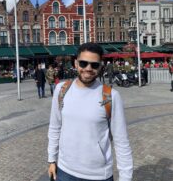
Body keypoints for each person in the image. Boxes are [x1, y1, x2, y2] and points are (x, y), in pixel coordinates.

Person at [48, 42, 133, 181]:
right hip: (64, 171)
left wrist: (126, 178)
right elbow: (55, 127)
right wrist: (52, 159)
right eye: (83, 63)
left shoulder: (111, 96)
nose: (88, 68)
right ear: (75, 63)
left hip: (98, 175)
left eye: (94, 65)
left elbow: (121, 141)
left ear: (100, 66)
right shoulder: (61, 90)